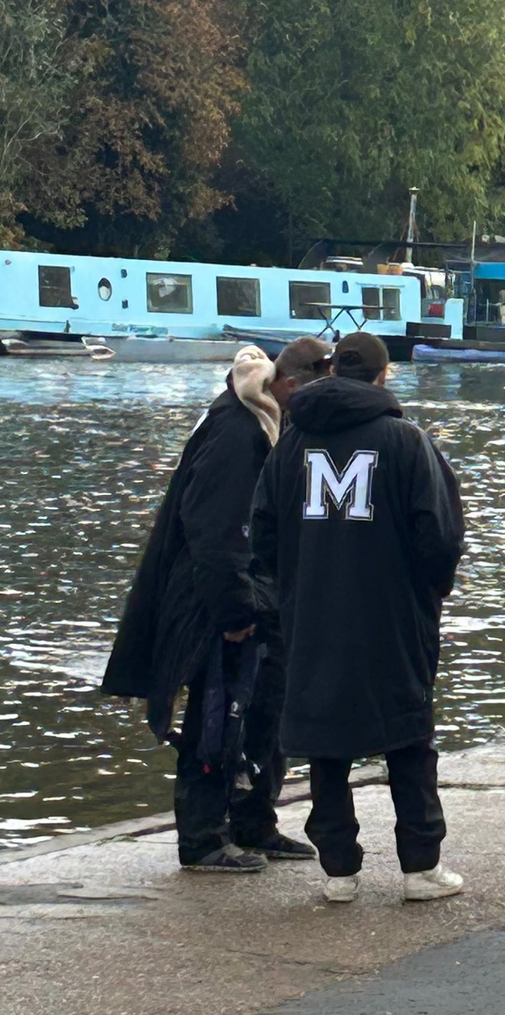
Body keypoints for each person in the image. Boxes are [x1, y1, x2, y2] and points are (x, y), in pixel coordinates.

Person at [249, 331, 466, 904]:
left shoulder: (289, 445)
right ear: (383, 375)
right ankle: (421, 867)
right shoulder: (406, 441)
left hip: (312, 613)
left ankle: (338, 870)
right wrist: (429, 591)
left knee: (326, 742)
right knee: (408, 737)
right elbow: (439, 535)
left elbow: (262, 533)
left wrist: (295, 583)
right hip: (392, 615)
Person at [102, 337, 334, 872]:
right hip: (215, 599)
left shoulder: (265, 418)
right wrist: (234, 614)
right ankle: (203, 838)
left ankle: (254, 822)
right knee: (217, 716)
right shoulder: (236, 430)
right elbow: (213, 531)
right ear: (291, 386)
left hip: (255, 590)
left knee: (265, 713)